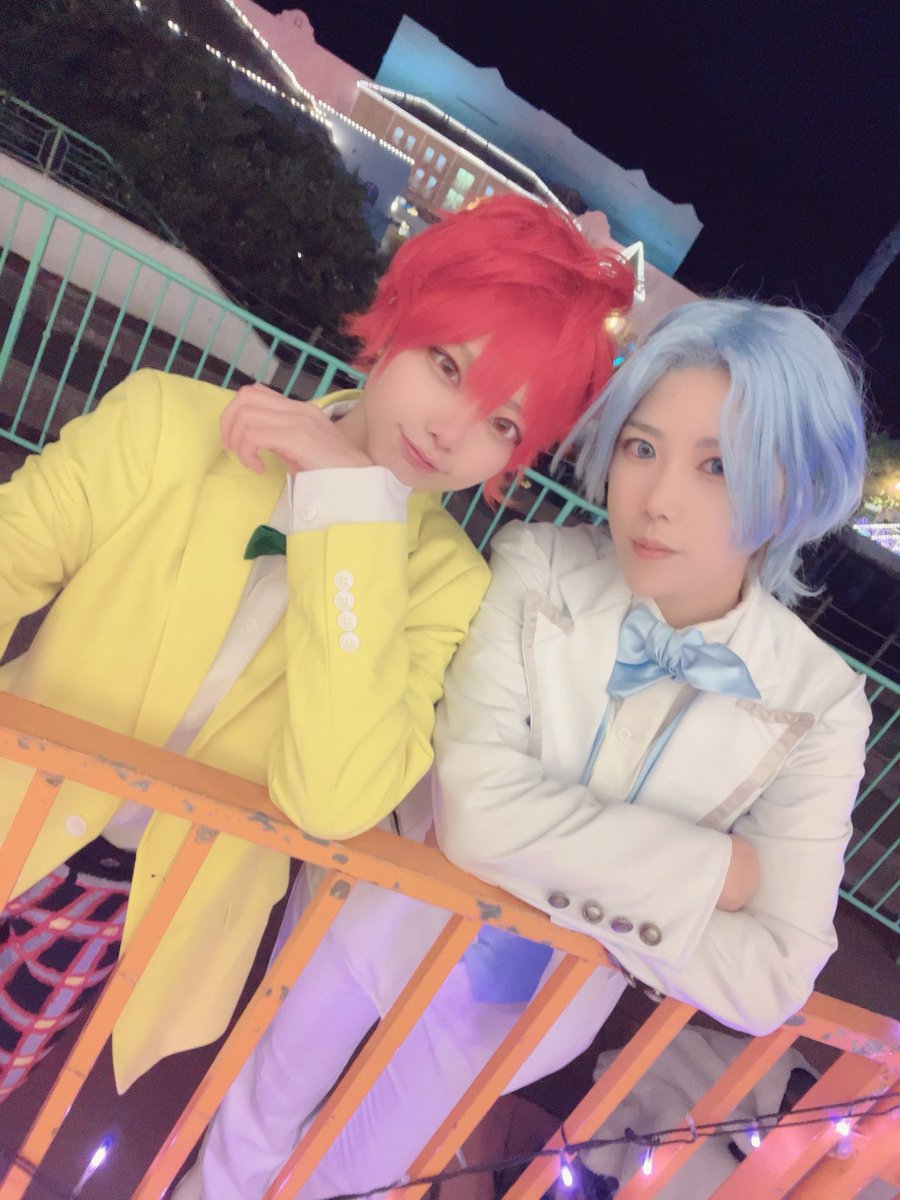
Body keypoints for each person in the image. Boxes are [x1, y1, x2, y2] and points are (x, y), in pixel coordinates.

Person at [182, 296, 869, 1200]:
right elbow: (477, 812)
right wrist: (713, 877)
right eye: (642, 448)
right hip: (375, 907)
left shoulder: (819, 700)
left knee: (356, 1182)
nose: (658, 500)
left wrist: (538, 864)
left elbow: (773, 975)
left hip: (517, 1004)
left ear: (789, 489)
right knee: (247, 1126)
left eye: (718, 466)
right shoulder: (537, 561)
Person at [0, 195, 634, 1102]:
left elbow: (333, 799)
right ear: (395, 321)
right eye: (447, 366)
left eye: (503, 423)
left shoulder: (448, 584)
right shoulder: (169, 422)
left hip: (132, 899)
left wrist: (350, 516)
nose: (451, 431)